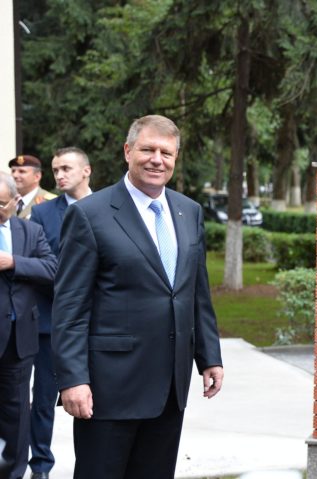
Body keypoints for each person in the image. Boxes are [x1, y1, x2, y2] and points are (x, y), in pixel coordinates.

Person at [51, 115, 224, 479]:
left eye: (167, 152)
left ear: (176, 158)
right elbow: (69, 305)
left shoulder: (188, 211)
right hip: (108, 388)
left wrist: (209, 355)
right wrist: (72, 379)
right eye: (148, 149)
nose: (157, 159)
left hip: (169, 386)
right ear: (128, 151)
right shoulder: (89, 214)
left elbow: (196, 290)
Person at [28, 147, 93, 479]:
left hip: (100, 324)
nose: (60, 175)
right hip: (52, 322)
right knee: (43, 401)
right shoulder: (43, 214)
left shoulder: (110, 207)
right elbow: (45, 265)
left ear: (86, 171)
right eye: (56, 170)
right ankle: (40, 466)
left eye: (66, 168)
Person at [0, 172, 57, 479]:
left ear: (15, 201)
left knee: (16, 416)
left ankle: (13, 473)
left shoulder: (31, 231)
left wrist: (13, 262)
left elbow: (52, 268)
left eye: (0, 203)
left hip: (19, 341)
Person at [9, 155, 56, 220]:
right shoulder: (5, 200)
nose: (15, 175)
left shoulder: (51, 202)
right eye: (13, 171)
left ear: (37, 177)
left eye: (22, 171)